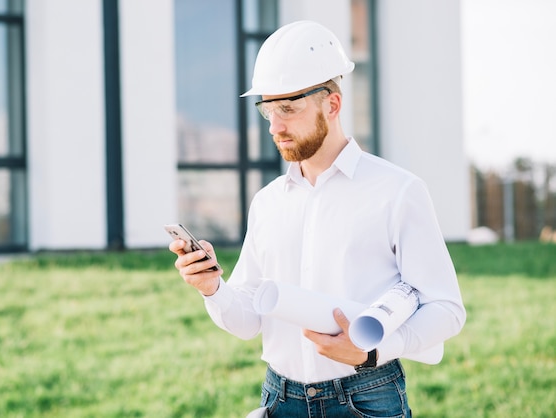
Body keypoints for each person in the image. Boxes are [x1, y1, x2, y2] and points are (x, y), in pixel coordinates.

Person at [169, 20, 466, 418]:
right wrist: (212, 288)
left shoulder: (398, 192)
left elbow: (446, 309)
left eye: (288, 109)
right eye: (267, 110)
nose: (275, 126)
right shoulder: (267, 202)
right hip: (279, 399)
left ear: (332, 104)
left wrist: (372, 350)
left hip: (366, 397)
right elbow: (247, 321)